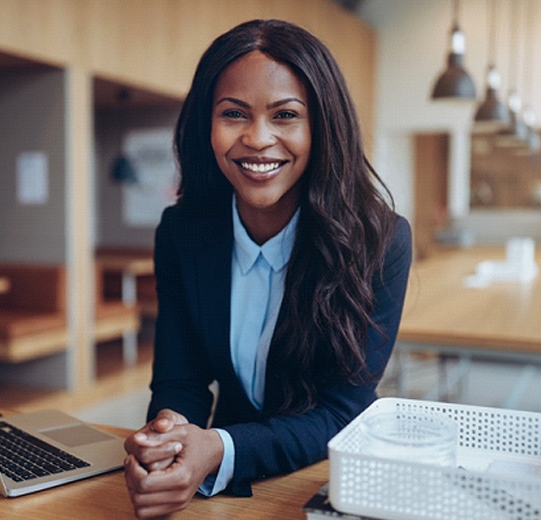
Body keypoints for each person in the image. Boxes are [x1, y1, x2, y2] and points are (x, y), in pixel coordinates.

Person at [124, 18, 412, 519]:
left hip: (321, 481)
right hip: (224, 487)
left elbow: (344, 410)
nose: (258, 139)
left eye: (285, 115)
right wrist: (167, 440)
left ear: (321, 127)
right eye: (234, 113)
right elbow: (180, 379)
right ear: (206, 127)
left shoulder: (379, 241)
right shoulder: (182, 231)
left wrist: (217, 448)